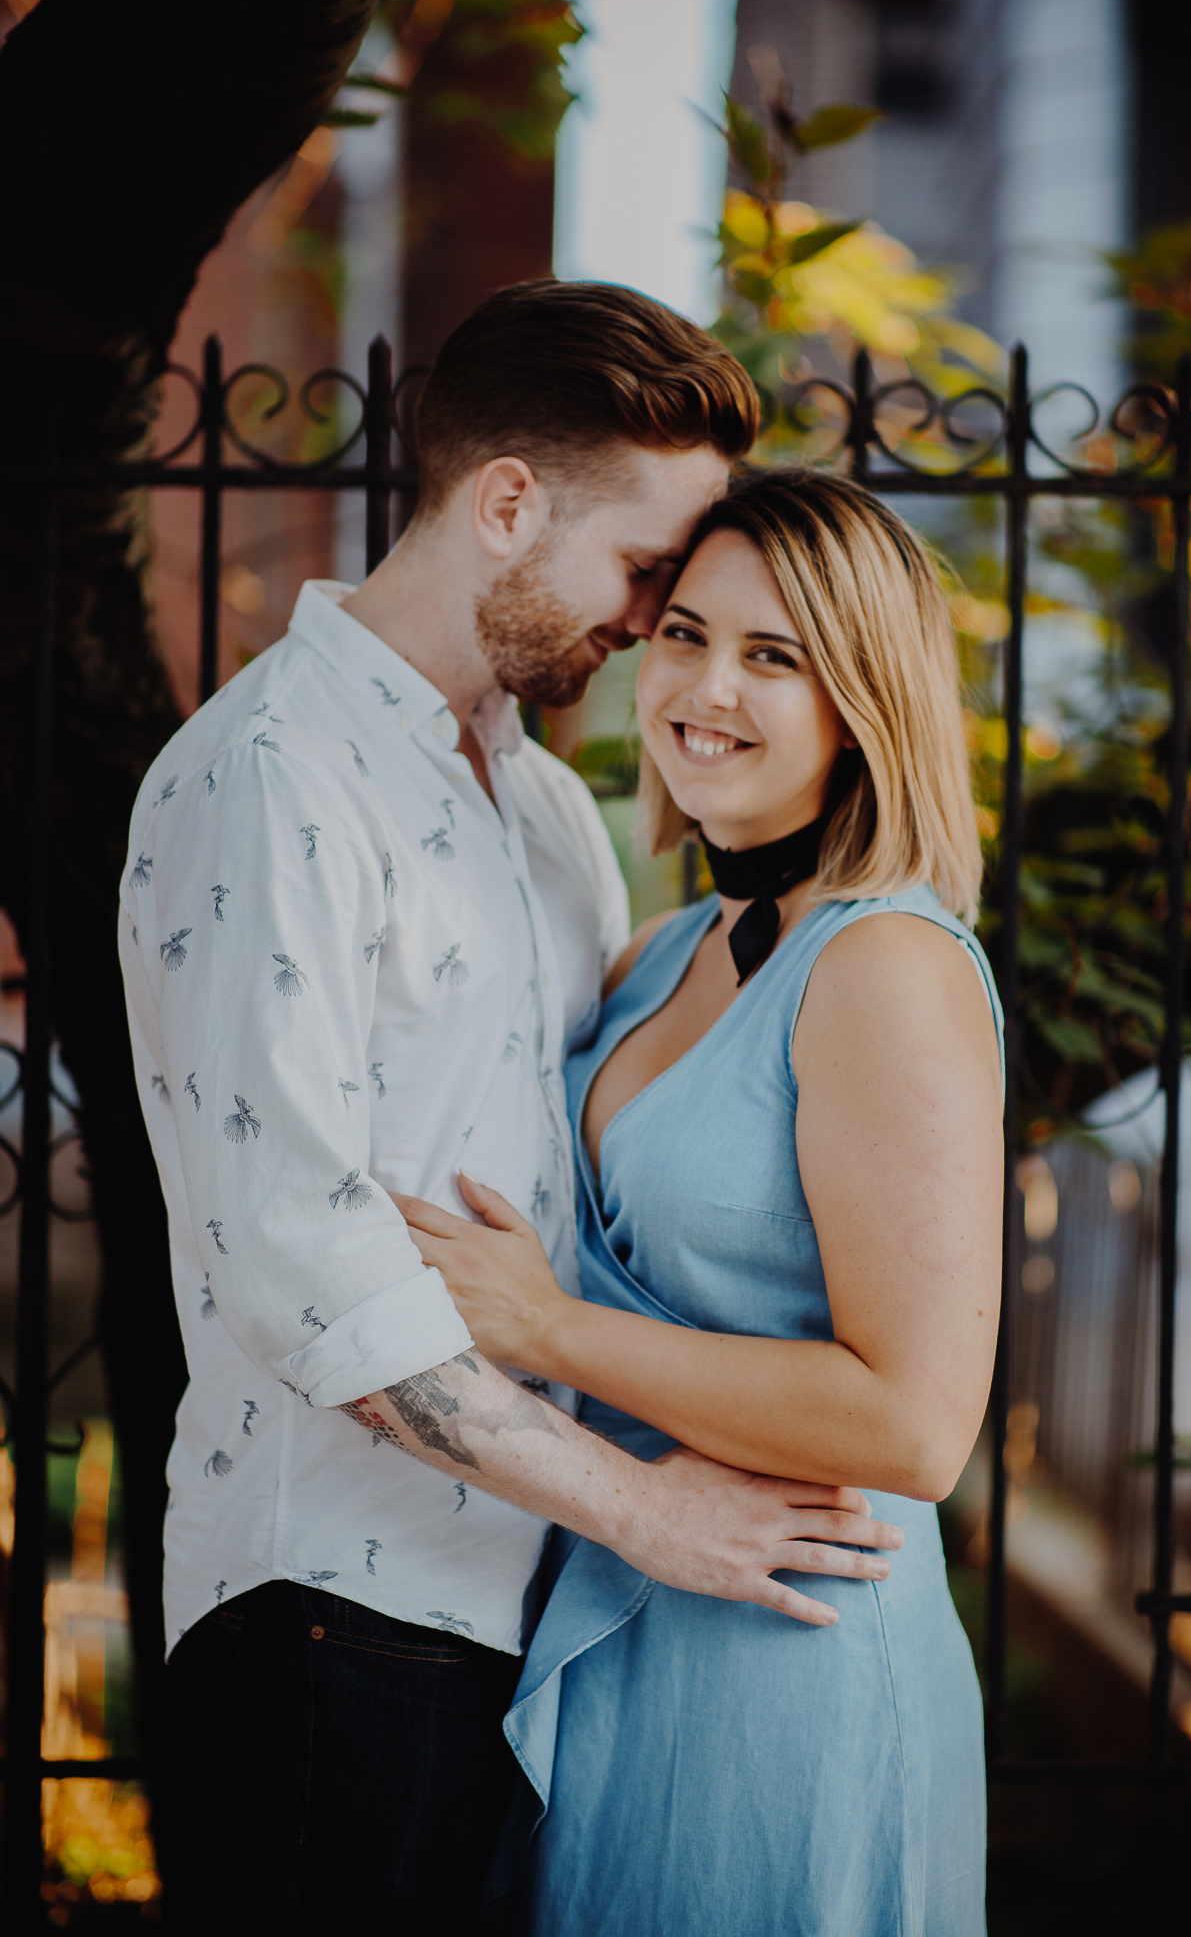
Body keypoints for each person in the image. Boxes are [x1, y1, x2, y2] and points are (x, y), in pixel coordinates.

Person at [118, 291, 903, 1934]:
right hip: (333, 1611)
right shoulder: (269, 773)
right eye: (646, 575)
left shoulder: (545, 805)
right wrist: (646, 1508)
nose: (652, 624)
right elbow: (300, 1268)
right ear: (505, 508)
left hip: (528, 1612)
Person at [398, 469, 1004, 1937]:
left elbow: (916, 1426)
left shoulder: (881, 968)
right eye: (683, 633)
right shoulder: (669, 949)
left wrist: (549, 1323)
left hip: (788, 1655)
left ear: (862, 701)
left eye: (773, 656)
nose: (703, 687)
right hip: (630, 1599)